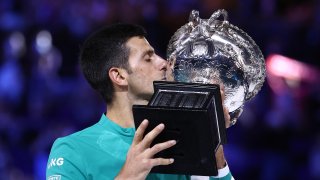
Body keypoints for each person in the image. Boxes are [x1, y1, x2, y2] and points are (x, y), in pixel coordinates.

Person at [46, 23, 234, 180]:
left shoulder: (179, 139)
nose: (163, 63)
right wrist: (128, 175)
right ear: (118, 76)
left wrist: (212, 140)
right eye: (148, 58)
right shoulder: (72, 150)